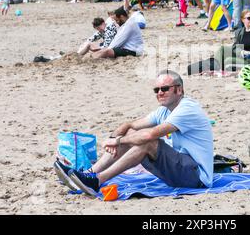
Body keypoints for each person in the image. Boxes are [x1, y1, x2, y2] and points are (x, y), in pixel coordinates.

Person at [54, 69, 213, 196]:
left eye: (165, 89)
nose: (159, 93)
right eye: (156, 90)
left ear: (179, 90)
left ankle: (97, 180)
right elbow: (132, 125)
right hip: (179, 171)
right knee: (133, 135)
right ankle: (88, 175)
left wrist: (117, 142)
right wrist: (116, 135)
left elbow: (150, 136)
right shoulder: (164, 111)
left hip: (196, 176)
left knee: (147, 141)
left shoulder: (187, 108)